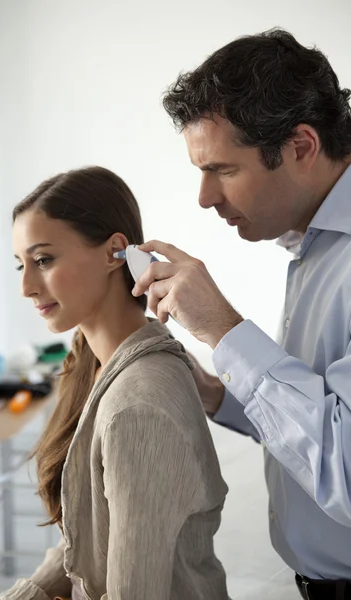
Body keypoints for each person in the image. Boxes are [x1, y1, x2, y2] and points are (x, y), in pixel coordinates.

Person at [132, 29, 351, 600]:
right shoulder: (315, 246)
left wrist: (224, 330)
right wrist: (216, 392)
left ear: (302, 146)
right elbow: (320, 415)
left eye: (223, 170)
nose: (205, 198)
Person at [0, 166, 229, 600]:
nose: (27, 286)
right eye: (21, 265)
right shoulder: (89, 364)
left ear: (114, 252)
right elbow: (84, 546)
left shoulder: (137, 406)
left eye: (43, 260)